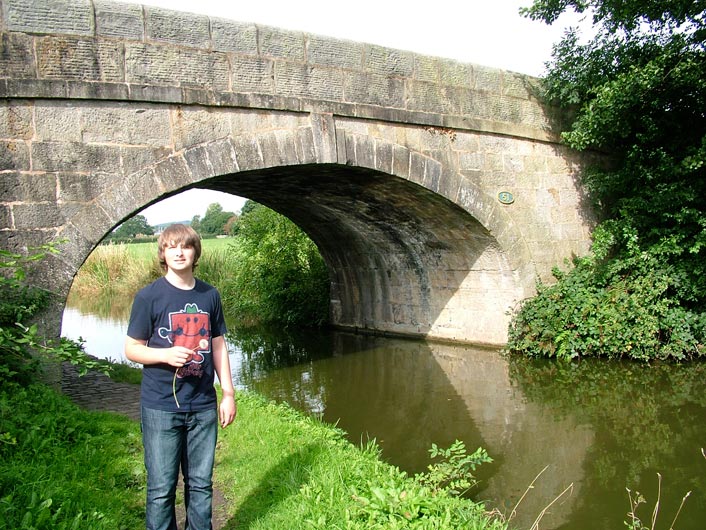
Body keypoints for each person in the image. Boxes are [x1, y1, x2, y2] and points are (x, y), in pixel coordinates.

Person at [125, 223, 236, 530]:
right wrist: (164, 354)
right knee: (161, 489)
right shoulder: (148, 297)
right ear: (163, 253)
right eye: (171, 246)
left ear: (195, 252)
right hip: (161, 406)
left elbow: (217, 344)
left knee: (201, 485)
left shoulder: (209, 295)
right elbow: (132, 349)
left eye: (185, 246)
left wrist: (228, 393)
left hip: (202, 405)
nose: (178, 252)